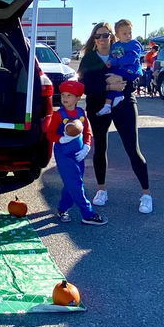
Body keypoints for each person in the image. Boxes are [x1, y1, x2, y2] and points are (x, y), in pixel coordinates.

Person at [78, 22, 152, 214]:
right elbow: (84, 85)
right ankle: (101, 190)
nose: (102, 39)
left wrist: (122, 81)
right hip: (98, 106)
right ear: (94, 39)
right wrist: (108, 86)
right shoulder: (89, 59)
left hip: (124, 102)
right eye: (98, 36)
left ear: (112, 37)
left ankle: (146, 195)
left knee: (132, 148)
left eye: (105, 35)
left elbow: (135, 75)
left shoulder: (122, 51)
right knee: (100, 147)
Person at [47, 81, 107, 226]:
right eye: (63, 95)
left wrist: (86, 146)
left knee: (71, 183)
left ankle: (62, 209)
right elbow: (50, 134)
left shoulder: (82, 113)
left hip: (79, 155)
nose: (65, 98)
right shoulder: (58, 115)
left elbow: (87, 132)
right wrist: (61, 139)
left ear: (78, 98)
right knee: (76, 184)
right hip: (64, 155)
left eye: (69, 95)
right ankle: (88, 214)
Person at [96, 19, 142, 116]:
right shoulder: (116, 46)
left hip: (131, 70)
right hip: (121, 69)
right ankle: (107, 105)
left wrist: (114, 62)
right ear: (117, 35)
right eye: (124, 34)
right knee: (109, 77)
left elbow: (131, 59)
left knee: (112, 77)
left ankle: (118, 95)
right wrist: (110, 61)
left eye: (130, 33)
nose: (128, 36)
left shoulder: (133, 44)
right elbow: (112, 56)